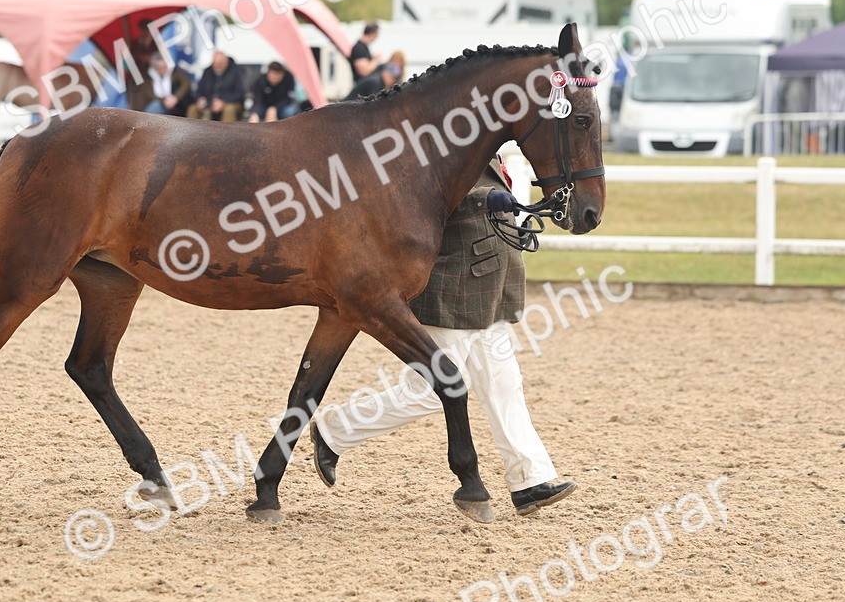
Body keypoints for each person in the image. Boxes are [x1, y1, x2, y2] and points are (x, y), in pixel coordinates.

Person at [310, 159, 577, 517]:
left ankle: (531, 480)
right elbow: (422, 198)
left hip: (494, 282)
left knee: (505, 382)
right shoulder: (451, 141)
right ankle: (334, 430)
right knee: (428, 392)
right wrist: (485, 200)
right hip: (453, 285)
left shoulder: (512, 151)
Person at [188, 51, 245, 122]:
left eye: (219, 64)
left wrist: (223, 102)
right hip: (209, 102)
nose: (216, 67)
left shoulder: (236, 72)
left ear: (225, 62)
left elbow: (240, 93)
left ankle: (225, 132)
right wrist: (200, 99)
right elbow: (199, 90)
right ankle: (191, 132)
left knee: (229, 109)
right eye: (214, 64)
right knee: (193, 109)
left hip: (230, 103)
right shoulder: (207, 71)